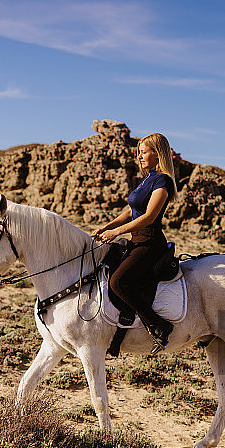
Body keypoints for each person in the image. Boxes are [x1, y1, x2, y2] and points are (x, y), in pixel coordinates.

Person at [91, 133, 178, 354]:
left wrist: (117, 232)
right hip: (136, 240)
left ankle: (159, 326)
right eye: (138, 151)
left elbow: (148, 216)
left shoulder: (163, 181)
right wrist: (107, 227)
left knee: (118, 282)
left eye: (143, 151)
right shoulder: (148, 179)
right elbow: (131, 210)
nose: (139, 156)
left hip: (150, 243)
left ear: (157, 154)